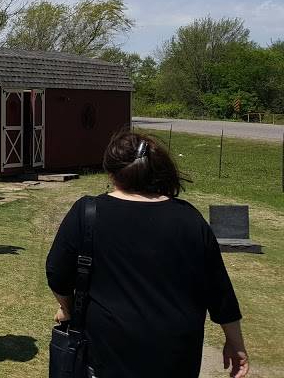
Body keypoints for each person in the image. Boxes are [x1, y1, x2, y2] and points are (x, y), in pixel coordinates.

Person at [46, 132, 249, 378]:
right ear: (156, 169)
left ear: (110, 173)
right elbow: (219, 291)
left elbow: (57, 273)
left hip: (107, 352)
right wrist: (235, 342)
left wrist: (68, 309)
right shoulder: (189, 218)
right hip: (175, 355)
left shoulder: (88, 212)